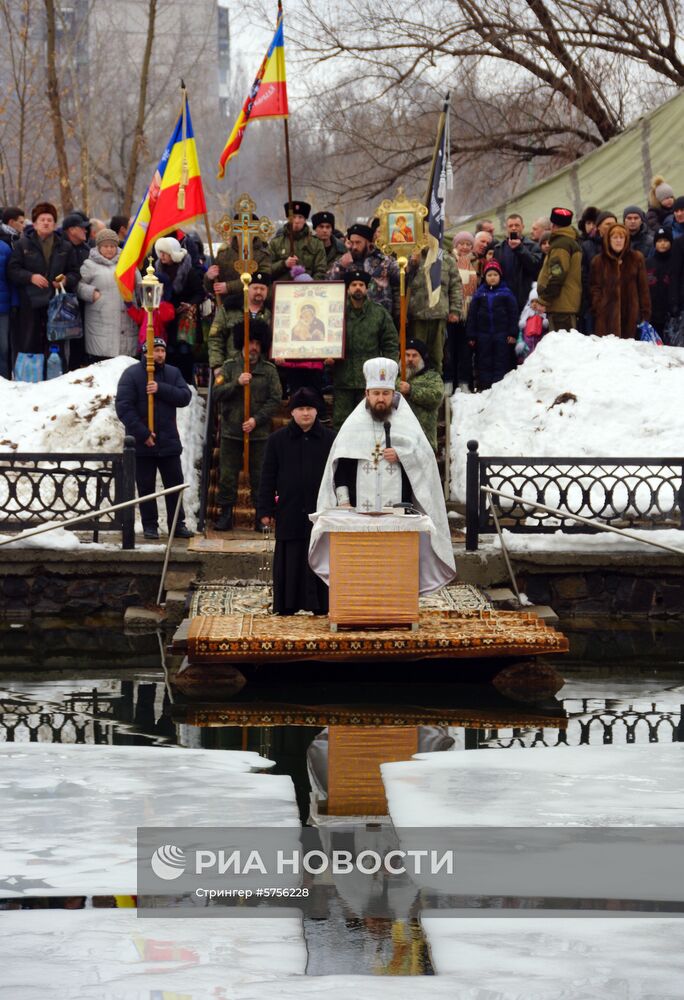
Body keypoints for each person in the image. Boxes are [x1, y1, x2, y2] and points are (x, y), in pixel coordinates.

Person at [311, 356, 456, 594]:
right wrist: (344, 501)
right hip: (358, 512)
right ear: (367, 393)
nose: (380, 399)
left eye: (385, 394)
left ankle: (396, 604)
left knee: (396, 566)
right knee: (361, 567)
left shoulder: (407, 425)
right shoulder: (353, 426)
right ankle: (359, 605)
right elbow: (341, 466)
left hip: (399, 511)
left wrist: (403, 456)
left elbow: (425, 463)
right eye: (376, 393)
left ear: (393, 395)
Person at [257, 387, 335, 614]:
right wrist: (265, 509)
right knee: (291, 557)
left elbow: (338, 473)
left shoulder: (330, 439)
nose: (305, 413)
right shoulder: (276, 440)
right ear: (292, 412)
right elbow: (267, 476)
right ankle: (288, 604)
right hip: (289, 509)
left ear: (316, 411)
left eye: (309, 408)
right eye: (300, 409)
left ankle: (321, 604)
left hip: (320, 509)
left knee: (319, 554)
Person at [114, 338, 194, 540]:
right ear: (145, 352)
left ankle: (177, 524)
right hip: (142, 444)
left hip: (168, 441)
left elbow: (185, 397)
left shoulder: (173, 373)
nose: (159, 354)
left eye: (162, 351)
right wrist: (143, 434)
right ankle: (150, 525)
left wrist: (161, 388)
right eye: (155, 350)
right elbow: (124, 407)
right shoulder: (131, 375)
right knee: (146, 486)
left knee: (174, 484)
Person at [212, 317, 282, 532]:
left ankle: (262, 517)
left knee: (260, 476)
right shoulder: (229, 367)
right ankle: (226, 514)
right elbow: (216, 393)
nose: (254, 347)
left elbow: (275, 399)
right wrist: (236, 383)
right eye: (250, 342)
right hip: (232, 432)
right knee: (227, 475)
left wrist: (256, 419)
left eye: (258, 343)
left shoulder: (269, 370)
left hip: (259, 434)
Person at [7, 201, 79, 371]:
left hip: (57, 304)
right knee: (29, 344)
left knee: (55, 346)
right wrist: (31, 277)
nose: (46, 223)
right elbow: (12, 270)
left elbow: (75, 272)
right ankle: (30, 378)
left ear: (55, 224)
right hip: (30, 304)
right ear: (35, 223)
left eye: (50, 220)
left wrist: (65, 280)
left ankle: (55, 377)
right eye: (42, 219)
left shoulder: (65, 246)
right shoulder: (22, 245)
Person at [327, 269, 399, 431]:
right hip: (343, 378)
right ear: (348, 289)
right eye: (354, 285)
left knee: (369, 422)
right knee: (342, 422)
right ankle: (343, 456)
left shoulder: (379, 313)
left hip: (370, 381)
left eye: (361, 285)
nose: (357, 288)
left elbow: (390, 344)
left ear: (367, 289)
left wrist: (388, 372)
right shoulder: (336, 312)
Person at [77, 228, 137, 361]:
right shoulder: (89, 265)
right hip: (100, 319)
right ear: (98, 247)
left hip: (126, 319)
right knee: (103, 362)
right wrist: (91, 293)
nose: (109, 249)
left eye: (112, 246)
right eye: (105, 246)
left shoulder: (127, 264)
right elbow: (79, 286)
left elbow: (139, 285)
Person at [154, 235, 205, 385]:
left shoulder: (187, 270)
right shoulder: (157, 269)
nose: (161, 256)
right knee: (167, 350)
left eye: (165, 252)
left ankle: (186, 383)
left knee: (184, 351)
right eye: (160, 252)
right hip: (166, 317)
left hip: (184, 317)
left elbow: (199, 292)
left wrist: (189, 304)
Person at [407, 244, 462, 374]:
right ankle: (415, 388)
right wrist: (412, 264)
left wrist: (455, 310)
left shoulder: (446, 258)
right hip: (416, 315)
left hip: (439, 314)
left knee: (437, 356)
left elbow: (455, 285)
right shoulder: (413, 257)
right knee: (414, 356)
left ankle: (435, 388)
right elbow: (402, 282)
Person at [589, 223, 651, 338]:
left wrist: (644, 313)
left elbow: (643, 289)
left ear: (626, 240)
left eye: (621, 237)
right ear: (608, 239)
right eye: (615, 237)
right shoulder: (598, 261)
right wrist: (598, 306)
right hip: (606, 318)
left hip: (631, 318)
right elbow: (594, 287)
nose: (618, 241)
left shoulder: (636, 258)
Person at [328, 223, 400, 320]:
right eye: (352, 243)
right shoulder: (345, 261)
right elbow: (329, 285)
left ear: (368, 242)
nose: (354, 247)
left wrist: (413, 261)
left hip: (380, 319)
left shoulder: (384, 261)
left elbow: (403, 277)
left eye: (358, 243)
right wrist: (341, 266)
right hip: (352, 319)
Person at [466, 259, 518, 391]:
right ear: (485, 277)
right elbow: (472, 316)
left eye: (495, 275)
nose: (492, 278)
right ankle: (485, 387)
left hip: (502, 335)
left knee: (501, 360)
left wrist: (512, 333)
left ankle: (498, 387)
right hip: (483, 335)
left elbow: (513, 314)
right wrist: (471, 335)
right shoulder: (479, 294)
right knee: (484, 361)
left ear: (500, 276)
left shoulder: (506, 293)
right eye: (489, 275)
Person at [208, 271, 271, 374]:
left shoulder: (271, 313)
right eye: (255, 288)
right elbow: (215, 338)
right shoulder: (229, 309)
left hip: (261, 372)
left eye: (262, 289)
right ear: (247, 289)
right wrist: (217, 365)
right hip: (232, 369)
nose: (259, 291)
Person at [204, 215, 271, 307]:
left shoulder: (263, 255)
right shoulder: (223, 254)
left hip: (253, 306)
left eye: (249, 233)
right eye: (240, 232)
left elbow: (261, 281)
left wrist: (229, 287)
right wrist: (209, 277)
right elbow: (212, 287)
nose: (244, 237)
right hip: (226, 308)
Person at [535, 207, 582, 332]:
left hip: (560, 306)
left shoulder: (560, 245)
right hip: (564, 305)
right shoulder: (569, 242)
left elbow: (557, 275)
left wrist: (544, 300)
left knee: (562, 347)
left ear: (553, 225)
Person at [398, 338, 443, 452]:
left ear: (422, 358)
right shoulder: (394, 378)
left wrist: (411, 390)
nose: (410, 359)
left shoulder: (432, 377)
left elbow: (436, 398)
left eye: (415, 355)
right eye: (407, 355)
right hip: (398, 441)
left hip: (424, 442)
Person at [492, 213, 542, 313]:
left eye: (517, 225)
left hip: (527, 300)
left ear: (522, 227)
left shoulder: (533, 246)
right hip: (504, 298)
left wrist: (519, 248)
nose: (514, 228)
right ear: (506, 228)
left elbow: (535, 268)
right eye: (511, 226)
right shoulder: (499, 248)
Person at [269, 201, 327, 281]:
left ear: (305, 220)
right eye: (293, 217)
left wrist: (311, 284)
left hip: (307, 290)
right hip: (281, 290)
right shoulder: (276, 243)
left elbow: (321, 270)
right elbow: (267, 269)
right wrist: (284, 264)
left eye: (300, 217)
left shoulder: (316, 244)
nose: (296, 221)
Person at [645, 228, 673, 338]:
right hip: (652, 314)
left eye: (666, 241)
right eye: (659, 241)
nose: (662, 244)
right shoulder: (647, 263)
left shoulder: (676, 262)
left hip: (670, 314)